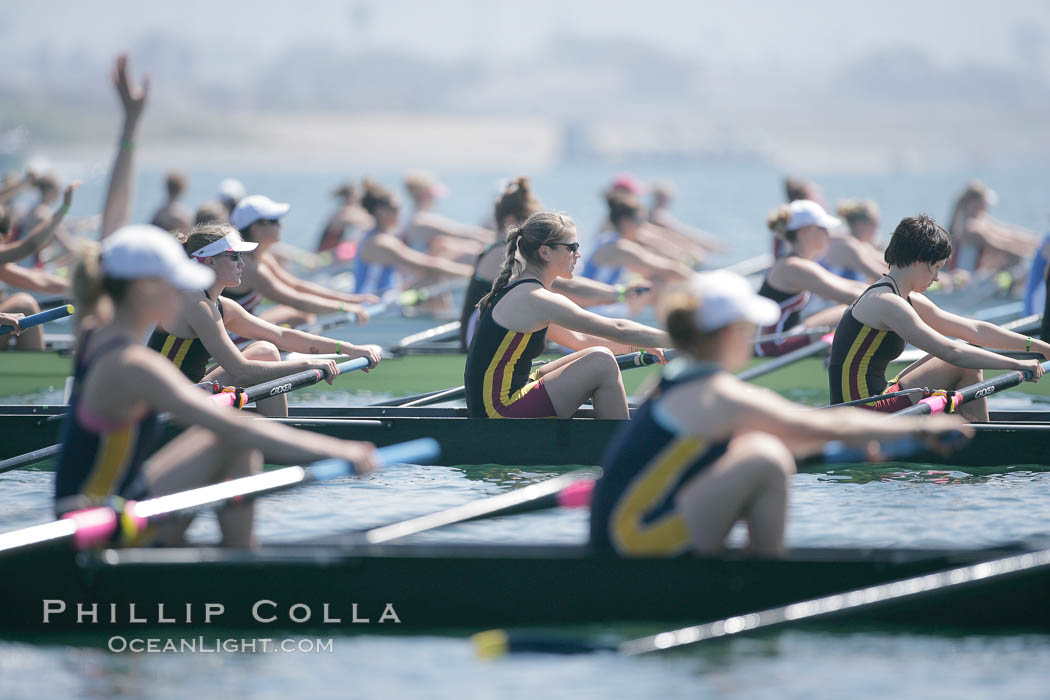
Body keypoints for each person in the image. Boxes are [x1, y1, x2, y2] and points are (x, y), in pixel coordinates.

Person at [55, 54, 379, 548]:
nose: (179, 288)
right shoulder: (129, 365)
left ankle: (229, 558)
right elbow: (244, 416)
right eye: (172, 279)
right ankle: (233, 568)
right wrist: (338, 452)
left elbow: (111, 232)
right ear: (145, 289)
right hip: (94, 538)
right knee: (234, 431)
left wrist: (129, 129)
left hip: (121, 505)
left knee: (233, 438)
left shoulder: (96, 331)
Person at [590, 270, 969, 556]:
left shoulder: (671, 380)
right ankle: (763, 586)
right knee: (767, 461)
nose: (754, 332)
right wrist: (918, 430)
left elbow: (795, 436)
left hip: (621, 531)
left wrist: (842, 447)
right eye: (748, 326)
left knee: (759, 446)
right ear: (727, 333)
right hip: (634, 543)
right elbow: (820, 422)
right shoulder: (717, 393)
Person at [147, 223, 382, 417]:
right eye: (235, 256)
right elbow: (241, 371)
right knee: (265, 359)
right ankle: (277, 440)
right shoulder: (196, 304)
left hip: (192, 393)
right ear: (209, 261)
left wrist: (347, 349)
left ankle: (275, 430)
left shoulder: (222, 305)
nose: (242, 264)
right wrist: (308, 365)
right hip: (161, 406)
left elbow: (282, 336)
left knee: (266, 350)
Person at [829, 214, 1048, 421]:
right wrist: (1016, 364)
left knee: (968, 350)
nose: (936, 278)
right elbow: (950, 353)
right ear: (917, 259)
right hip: (860, 413)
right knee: (965, 363)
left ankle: (973, 430)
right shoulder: (886, 302)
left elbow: (974, 330)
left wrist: (1039, 346)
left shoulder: (904, 297)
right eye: (935, 268)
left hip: (881, 396)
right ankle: (982, 441)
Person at [464, 211, 669, 420]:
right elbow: (617, 329)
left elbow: (581, 340)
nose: (578, 254)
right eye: (572, 247)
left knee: (598, 353)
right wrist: (681, 340)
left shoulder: (524, 292)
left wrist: (644, 345)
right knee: (602, 362)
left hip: (503, 399)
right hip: (499, 410)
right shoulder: (534, 298)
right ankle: (620, 448)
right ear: (545, 252)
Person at [458, 177, 649, 351]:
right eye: (530, 226)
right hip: (480, 348)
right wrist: (619, 293)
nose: (536, 234)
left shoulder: (509, 257)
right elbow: (565, 286)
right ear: (511, 221)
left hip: (499, 341)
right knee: (593, 353)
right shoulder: (502, 255)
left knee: (590, 349)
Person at [221, 194, 378, 328]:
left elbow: (297, 286)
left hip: (240, 326)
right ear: (256, 228)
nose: (281, 225)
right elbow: (294, 299)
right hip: (228, 334)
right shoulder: (247, 266)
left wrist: (353, 299)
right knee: (300, 315)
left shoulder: (263, 257)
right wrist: (345, 308)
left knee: (302, 315)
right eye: (274, 221)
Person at [756, 200, 866, 356]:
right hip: (769, 347)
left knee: (856, 308)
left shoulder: (794, 263)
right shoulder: (793, 267)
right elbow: (850, 294)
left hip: (777, 340)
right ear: (806, 231)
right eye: (824, 228)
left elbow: (851, 287)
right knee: (852, 310)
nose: (829, 234)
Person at [352, 179, 473, 297]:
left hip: (384, 299)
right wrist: (473, 273)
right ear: (380, 211)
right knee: (433, 275)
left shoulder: (371, 235)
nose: (399, 213)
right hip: (371, 305)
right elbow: (428, 264)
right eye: (396, 208)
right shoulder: (381, 242)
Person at [580, 190, 691, 290]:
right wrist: (697, 280)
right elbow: (669, 268)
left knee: (654, 279)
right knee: (658, 283)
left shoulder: (606, 239)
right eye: (640, 221)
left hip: (597, 300)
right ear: (625, 222)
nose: (643, 226)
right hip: (594, 306)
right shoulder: (620, 247)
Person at [947, 181, 1037, 276]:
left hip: (974, 276)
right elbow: (1003, 247)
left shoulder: (980, 221)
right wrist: (1035, 253)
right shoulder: (970, 228)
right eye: (985, 203)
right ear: (973, 203)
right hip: (967, 281)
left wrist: (1035, 243)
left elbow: (1010, 234)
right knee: (1014, 258)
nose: (988, 206)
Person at [648, 180, 728, 255]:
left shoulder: (651, 213)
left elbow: (683, 232)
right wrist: (710, 244)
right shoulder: (658, 215)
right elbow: (682, 232)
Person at [821, 199, 886, 282]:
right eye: (874, 224)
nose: (877, 229)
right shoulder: (847, 246)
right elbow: (882, 275)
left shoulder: (862, 246)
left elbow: (887, 265)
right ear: (860, 224)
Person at [316, 181, 373, 254]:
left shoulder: (342, 211)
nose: (360, 201)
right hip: (326, 256)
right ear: (350, 197)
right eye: (358, 197)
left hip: (330, 253)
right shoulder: (345, 212)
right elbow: (368, 223)